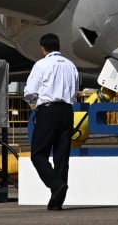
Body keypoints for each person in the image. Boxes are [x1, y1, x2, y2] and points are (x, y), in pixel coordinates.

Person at [24, 33, 80, 211]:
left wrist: (34, 101)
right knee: (61, 157)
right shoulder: (71, 66)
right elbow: (76, 90)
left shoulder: (41, 65)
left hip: (48, 111)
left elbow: (30, 92)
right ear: (58, 46)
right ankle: (57, 201)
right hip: (67, 111)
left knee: (38, 153)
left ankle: (55, 185)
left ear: (43, 48)